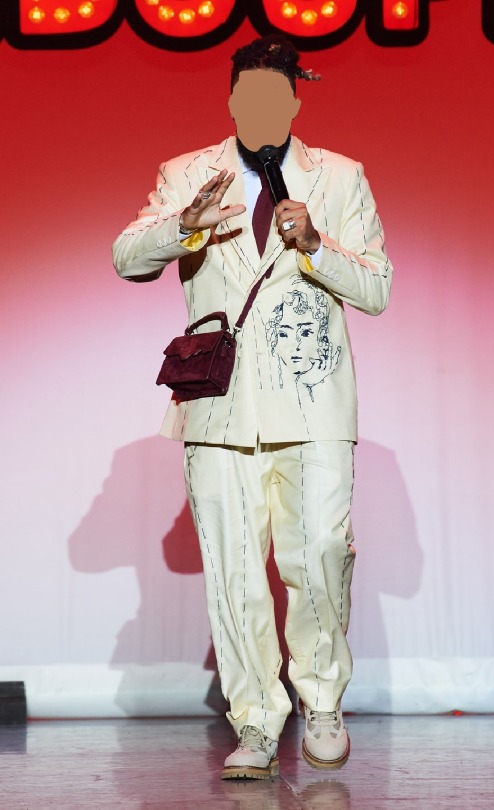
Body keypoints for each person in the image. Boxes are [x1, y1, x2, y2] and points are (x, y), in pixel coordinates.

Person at [113, 35, 393, 780]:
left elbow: (377, 288)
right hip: (220, 406)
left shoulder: (339, 176)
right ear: (232, 99)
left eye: (276, 95)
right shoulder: (187, 173)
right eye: (249, 95)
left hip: (315, 400)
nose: (262, 108)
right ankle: (256, 722)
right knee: (235, 572)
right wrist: (186, 225)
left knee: (321, 554)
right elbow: (126, 257)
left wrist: (317, 245)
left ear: (296, 100)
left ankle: (322, 702)